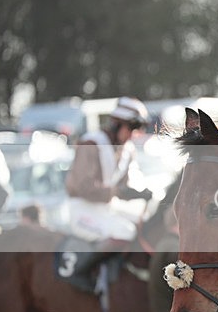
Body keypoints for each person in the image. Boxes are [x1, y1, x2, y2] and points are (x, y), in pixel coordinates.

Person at [64, 96, 153, 286]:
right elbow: (83, 187)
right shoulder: (91, 143)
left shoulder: (128, 150)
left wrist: (141, 192)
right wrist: (120, 193)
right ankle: (81, 273)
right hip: (82, 209)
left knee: (144, 223)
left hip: (106, 208)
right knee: (124, 232)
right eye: (131, 128)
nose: (133, 134)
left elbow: (125, 185)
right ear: (116, 124)